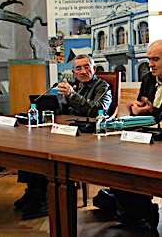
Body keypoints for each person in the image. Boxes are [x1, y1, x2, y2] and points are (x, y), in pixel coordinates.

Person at [93, 40, 162, 229]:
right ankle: (136, 211)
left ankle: (140, 211)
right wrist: (137, 109)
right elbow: (142, 108)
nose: (150, 64)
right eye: (149, 59)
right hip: (147, 134)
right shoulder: (148, 78)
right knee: (119, 157)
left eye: (155, 59)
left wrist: (151, 111)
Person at [15, 54, 113, 220]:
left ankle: (44, 199)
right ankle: (34, 191)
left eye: (87, 67)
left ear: (94, 69)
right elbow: (64, 111)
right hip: (68, 132)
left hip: (88, 136)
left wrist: (72, 95)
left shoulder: (103, 86)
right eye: (78, 68)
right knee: (32, 146)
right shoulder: (73, 86)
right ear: (73, 73)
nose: (83, 71)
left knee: (48, 151)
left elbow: (99, 109)